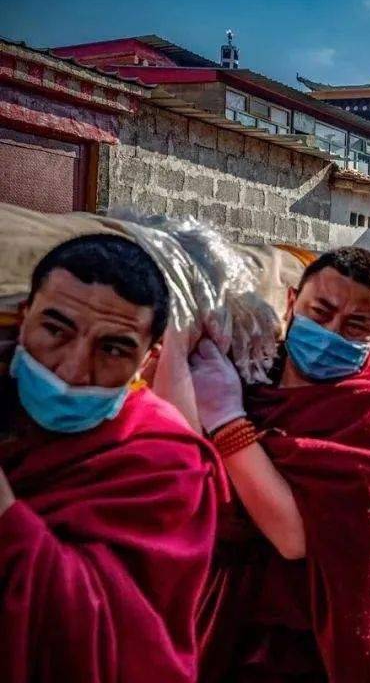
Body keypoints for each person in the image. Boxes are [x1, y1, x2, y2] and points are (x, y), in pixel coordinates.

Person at [196, 247, 370, 681]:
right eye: (321, 312)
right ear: (292, 302)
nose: (331, 332)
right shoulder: (251, 383)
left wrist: (226, 425)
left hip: (315, 653)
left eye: (355, 326)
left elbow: (294, 538)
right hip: (229, 628)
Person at [1, 235, 218, 683]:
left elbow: (113, 639)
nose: (73, 370)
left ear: (148, 361)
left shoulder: (168, 463)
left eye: (113, 349)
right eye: (55, 331)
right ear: (23, 319)